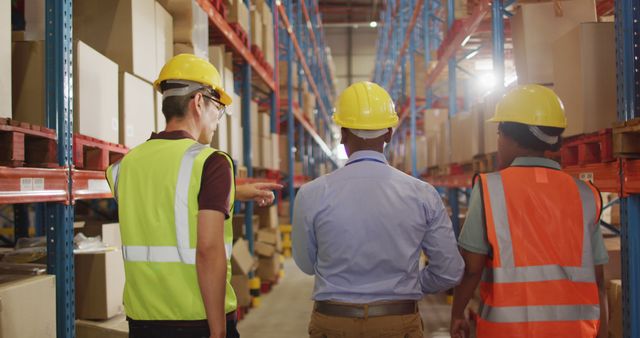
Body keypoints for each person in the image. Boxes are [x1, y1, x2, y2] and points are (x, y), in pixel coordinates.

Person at [106, 54, 282, 338]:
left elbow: (166, 203)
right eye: (218, 108)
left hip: (142, 322)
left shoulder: (125, 166)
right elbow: (207, 251)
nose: (217, 119)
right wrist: (217, 330)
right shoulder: (211, 163)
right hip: (196, 319)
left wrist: (236, 191)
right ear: (199, 102)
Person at [292, 81, 464, 337]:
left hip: (334, 322)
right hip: (398, 320)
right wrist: (409, 284)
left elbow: (306, 265)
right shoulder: (422, 194)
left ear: (342, 134)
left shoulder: (312, 193)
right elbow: (450, 270)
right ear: (389, 135)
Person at [450, 84, 609, 338]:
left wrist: (457, 314)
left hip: (508, 332)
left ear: (511, 137)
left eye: (499, 134)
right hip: (575, 332)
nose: (498, 143)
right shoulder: (585, 194)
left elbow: (471, 268)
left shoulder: (491, 189)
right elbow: (598, 279)